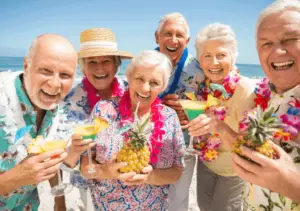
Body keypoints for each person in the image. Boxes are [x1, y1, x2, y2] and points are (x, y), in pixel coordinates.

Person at [80, 50, 185, 210]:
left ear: (162, 86)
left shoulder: (169, 117)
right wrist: (104, 171)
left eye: (154, 82)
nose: (145, 88)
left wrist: (150, 177)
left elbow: (177, 171)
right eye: (139, 79)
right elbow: (85, 166)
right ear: (129, 78)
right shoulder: (103, 110)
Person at [230, 0, 300, 209]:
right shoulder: (265, 95)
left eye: (290, 39)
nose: (277, 52)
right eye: (266, 43)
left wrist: (291, 184)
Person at [0, 34, 77, 211]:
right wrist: (17, 177)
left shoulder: (57, 109)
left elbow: (49, 154)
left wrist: (60, 204)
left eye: (65, 75)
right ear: (26, 66)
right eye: (45, 70)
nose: (55, 84)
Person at [60, 28, 133, 210]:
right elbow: (63, 158)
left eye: (106, 61)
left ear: (117, 65)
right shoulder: (70, 100)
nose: (99, 67)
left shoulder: (132, 93)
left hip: (127, 180)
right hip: (88, 184)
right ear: (83, 67)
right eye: (91, 62)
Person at [187, 23, 256, 211]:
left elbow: (250, 146)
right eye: (207, 56)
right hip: (206, 163)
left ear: (233, 56)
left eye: (221, 55)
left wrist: (219, 126)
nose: (214, 63)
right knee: (203, 206)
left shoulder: (246, 90)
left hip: (233, 170)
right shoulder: (204, 85)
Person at [155, 12, 205, 211]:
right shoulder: (147, 65)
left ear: (188, 40)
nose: (173, 40)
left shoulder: (201, 68)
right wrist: (158, 106)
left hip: (184, 145)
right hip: (150, 142)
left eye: (179, 35)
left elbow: (215, 103)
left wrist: (192, 114)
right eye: (167, 33)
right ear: (156, 36)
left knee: (178, 199)